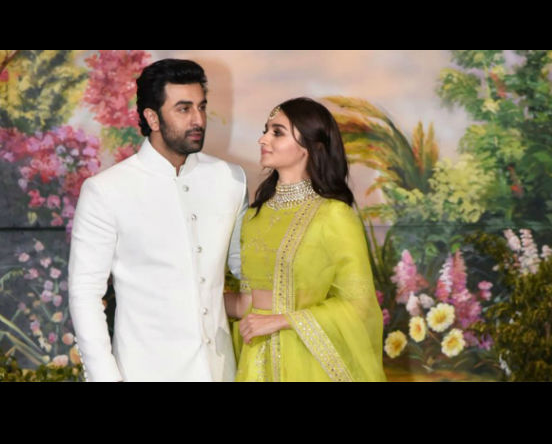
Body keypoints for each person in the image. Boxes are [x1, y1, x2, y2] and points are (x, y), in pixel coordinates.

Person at [69, 59, 248, 382]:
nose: (198, 119)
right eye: (183, 109)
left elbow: (246, 268)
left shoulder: (230, 179)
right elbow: (85, 293)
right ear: (152, 117)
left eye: (201, 107)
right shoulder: (106, 191)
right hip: (144, 371)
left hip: (221, 372)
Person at [225, 97, 386, 382]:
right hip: (257, 361)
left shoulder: (333, 215)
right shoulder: (254, 217)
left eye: (277, 132)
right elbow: (251, 302)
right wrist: (198, 297)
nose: (263, 139)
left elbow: (359, 305)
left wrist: (283, 320)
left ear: (309, 146)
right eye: (265, 130)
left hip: (308, 360)